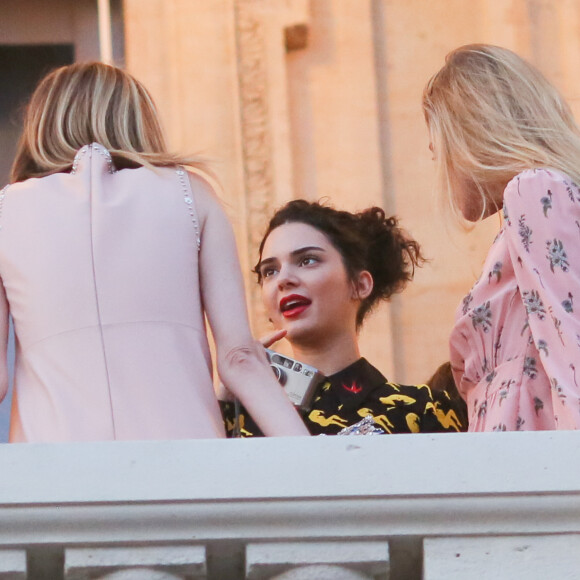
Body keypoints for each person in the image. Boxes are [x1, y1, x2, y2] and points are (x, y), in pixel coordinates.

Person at [1, 62, 308, 442]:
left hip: (53, 469)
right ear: (135, 118)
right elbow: (239, 358)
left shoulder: (6, 211)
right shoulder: (191, 194)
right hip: (182, 460)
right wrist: (313, 463)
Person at [423, 44, 580, 431]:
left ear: (470, 134)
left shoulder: (534, 189)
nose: (439, 165)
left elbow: (570, 345)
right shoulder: (534, 203)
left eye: (437, 150)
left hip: (541, 468)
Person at [222, 200, 465, 436]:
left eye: (308, 260)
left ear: (360, 285)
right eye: (270, 271)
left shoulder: (423, 410)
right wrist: (226, 392)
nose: (283, 280)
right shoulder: (237, 423)